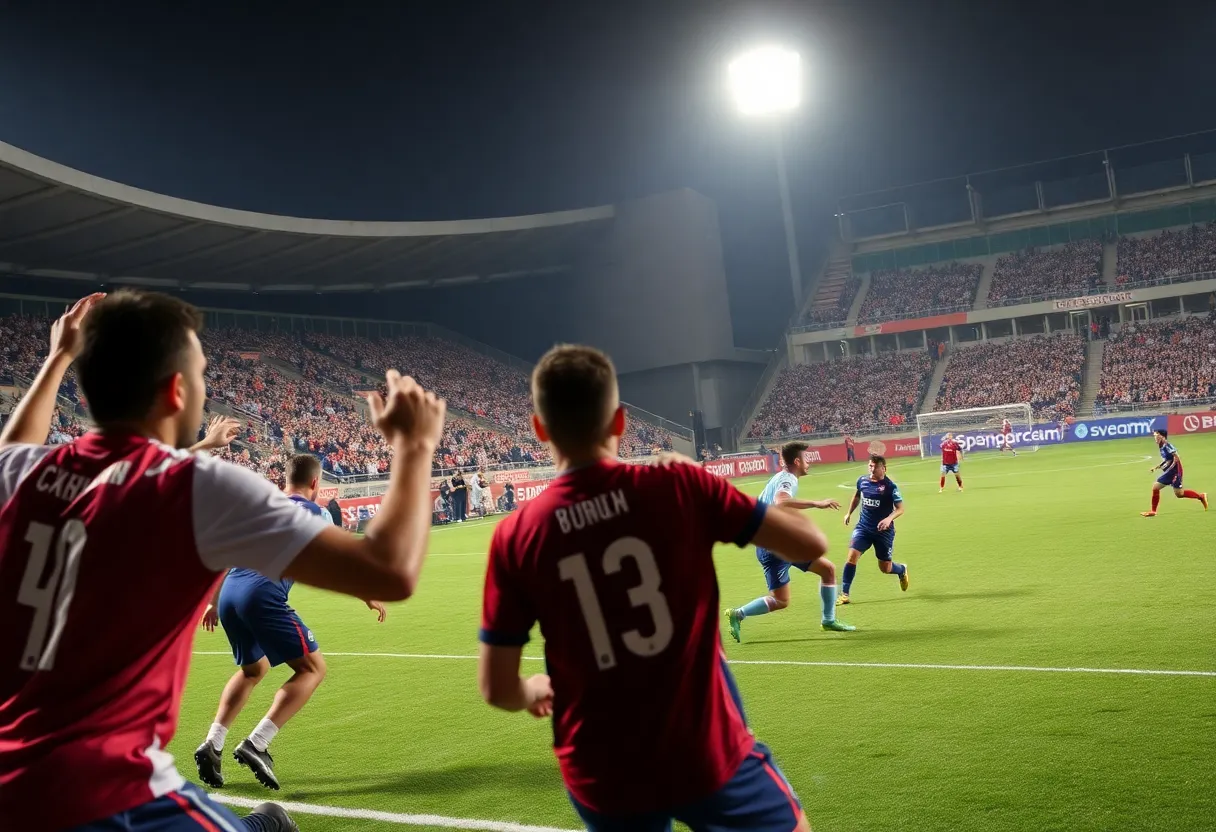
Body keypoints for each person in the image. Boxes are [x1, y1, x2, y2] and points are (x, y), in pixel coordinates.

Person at [0, 290, 446, 832]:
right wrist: (415, 446)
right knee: (271, 825)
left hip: (10, 775)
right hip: (106, 792)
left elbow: (16, 444)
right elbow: (391, 569)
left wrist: (57, 358)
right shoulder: (198, 488)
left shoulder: (22, 472)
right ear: (178, 390)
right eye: (204, 372)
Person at [478, 344, 833, 831]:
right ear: (620, 422)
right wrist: (700, 482)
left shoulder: (515, 535)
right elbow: (810, 542)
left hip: (602, 772)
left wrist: (532, 688)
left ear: (539, 429)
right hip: (705, 752)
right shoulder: (678, 487)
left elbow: (497, 688)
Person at [194, 454, 387, 791]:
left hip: (230, 596)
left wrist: (213, 601)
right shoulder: (315, 512)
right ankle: (257, 743)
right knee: (313, 669)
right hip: (261, 595)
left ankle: (213, 742)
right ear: (316, 483)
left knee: (254, 670)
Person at [724, 441, 853, 642]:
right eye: (806, 458)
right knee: (780, 600)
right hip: (774, 546)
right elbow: (781, 501)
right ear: (796, 461)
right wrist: (817, 503)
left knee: (827, 570)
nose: (808, 462)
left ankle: (828, 620)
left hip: (781, 541)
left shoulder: (779, 477)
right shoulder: (788, 479)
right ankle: (738, 613)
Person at [839, 455, 909, 605]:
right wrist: (849, 513)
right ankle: (844, 594)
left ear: (883, 468)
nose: (871, 469)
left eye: (874, 467)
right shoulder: (862, 481)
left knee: (885, 568)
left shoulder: (890, 487)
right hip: (863, 528)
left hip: (883, 532)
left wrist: (889, 519)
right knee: (852, 556)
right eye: (869, 466)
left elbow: (900, 509)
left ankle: (901, 569)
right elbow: (857, 496)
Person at [1142, 429, 1207, 517]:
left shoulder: (1167, 445)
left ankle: (1201, 496)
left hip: (1176, 471)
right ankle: (1153, 511)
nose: (1155, 438)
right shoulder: (1161, 446)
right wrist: (1157, 467)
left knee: (1179, 494)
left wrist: (1170, 468)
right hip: (1170, 472)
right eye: (1154, 436)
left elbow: (1176, 458)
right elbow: (1168, 460)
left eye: (1156, 435)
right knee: (1155, 487)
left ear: (1162, 436)